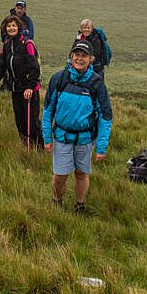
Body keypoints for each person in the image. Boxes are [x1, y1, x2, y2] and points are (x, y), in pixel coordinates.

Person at [42, 41, 113, 214]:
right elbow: (48, 110)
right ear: (71, 56)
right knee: (60, 175)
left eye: (84, 56)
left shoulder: (96, 83)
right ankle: (57, 200)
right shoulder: (59, 79)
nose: (80, 59)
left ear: (90, 59)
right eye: (77, 55)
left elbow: (105, 116)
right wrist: (46, 138)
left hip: (85, 138)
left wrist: (101, 146)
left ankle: (80, 205)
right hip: (62, 137)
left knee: (81, 173)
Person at [0, 15, 42, 145]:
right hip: (15, 88)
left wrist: (30, 87)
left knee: (32, 122)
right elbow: (1, 66)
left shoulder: (27, 44)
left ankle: (39, 148)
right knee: (20, 121)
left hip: (29, 89)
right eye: (8, 26)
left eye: (13, 25)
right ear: (5, 29)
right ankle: (25, 145)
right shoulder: (6, 45)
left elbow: (35, 68)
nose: (11, 28)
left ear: (19, 27)